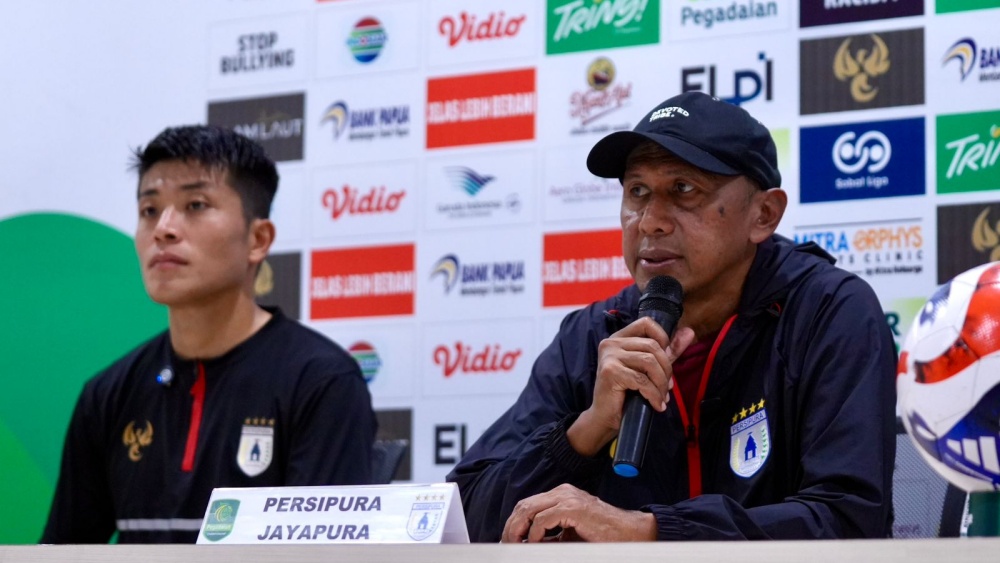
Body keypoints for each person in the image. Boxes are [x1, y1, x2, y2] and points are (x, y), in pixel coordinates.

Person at [447, 92, 896, 542]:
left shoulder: (828, 311)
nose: (650, 222)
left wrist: (650, 532)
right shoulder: (594, 333)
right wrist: (585, 432)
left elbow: (850, 520)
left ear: (763, 215)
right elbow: (463, 518)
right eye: (637, 192)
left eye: (684, 189)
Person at [41, 125, 377, 543]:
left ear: (258, 239)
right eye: (149, 210)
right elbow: (63, 550)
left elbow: (324, 553)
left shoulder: (321, 383)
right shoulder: (108, 394)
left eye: (195, 205)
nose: (163, 228)